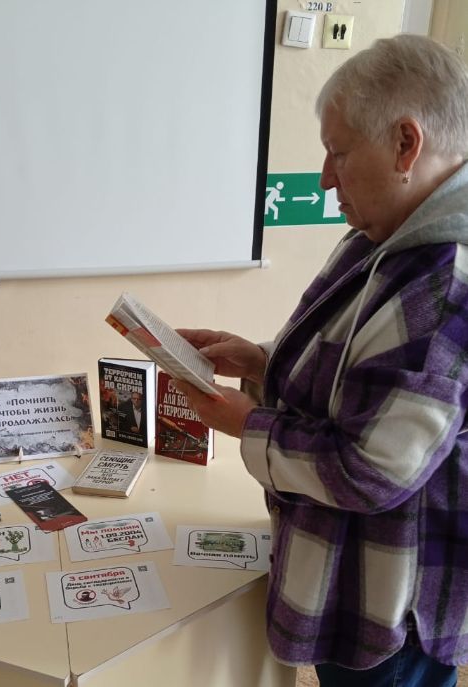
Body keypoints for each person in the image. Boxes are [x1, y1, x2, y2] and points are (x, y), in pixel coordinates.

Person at [175, 34, 468, 686]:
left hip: (389, 608)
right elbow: (356, 377)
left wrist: (242, 423)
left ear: (405, 144)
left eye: (338, 152)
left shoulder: (443, 281)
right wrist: (257, 360)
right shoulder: (385, 237)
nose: (325, 177)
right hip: (350, 577)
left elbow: (370, 469)